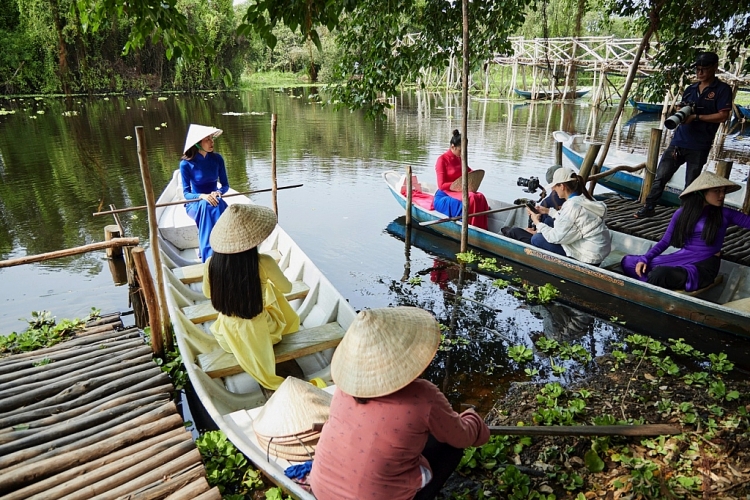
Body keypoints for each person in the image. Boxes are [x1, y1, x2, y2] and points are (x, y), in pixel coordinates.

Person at [309, 307, 490, 500]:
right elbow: (461, 437)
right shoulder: (423, 396)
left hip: (322, 491)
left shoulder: (345, 388)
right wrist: (473, 419)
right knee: (451, 448)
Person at [202, 203, 300, 390]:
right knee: (272, 290)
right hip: (264, 334)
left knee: (266, 288)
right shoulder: (264, 262)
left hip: (228, 338)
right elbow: (286, 288)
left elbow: (208, 293)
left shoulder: (210, 263)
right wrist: (266, 282)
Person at [635, 51, 733, 218]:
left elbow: (723, 116)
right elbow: (680, 108)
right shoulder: (691, 88)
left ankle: (685, 216)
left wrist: (697, 117)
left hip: (699, 145)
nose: (699, 72)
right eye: (697, 69)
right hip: (678, 141)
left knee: (691, 184)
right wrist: (682, 112)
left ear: (715, 68)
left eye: (704, 69)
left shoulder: (722, 90)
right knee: (661, 176)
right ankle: (649, 207)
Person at [622, 171, 750, 291]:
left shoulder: (725, 213)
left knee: (660, 273)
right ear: (701, 192)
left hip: (703, 266)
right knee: (628, 261)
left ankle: (648, 286)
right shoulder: (682, 213)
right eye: (717, 191)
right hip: (681, 257)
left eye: (723, 191)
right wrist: (645, 258)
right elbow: (665, 241)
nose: (722, 195)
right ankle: (651, 283)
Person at [527, 167, 612, 265]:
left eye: (555, 186)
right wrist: (548, 211)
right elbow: (570, 219)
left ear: (562, 186)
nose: (553, 189)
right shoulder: (583, 198)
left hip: (589, 258)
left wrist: (537, 223)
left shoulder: (572, 206)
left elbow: (555, 238)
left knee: (537, 239)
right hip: (597, 251)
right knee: (550, 222)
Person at [180, 123, 230, 262]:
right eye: (207, 139)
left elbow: (225, 185)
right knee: (206, 205)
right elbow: (186, 194)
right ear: (197, 143)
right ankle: (210, 255)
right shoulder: (186, 164)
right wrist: (202, 196)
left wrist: (218, 192)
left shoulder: (217, 159)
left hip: (215, 199)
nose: (211, 142)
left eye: (212, 139)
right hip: (196, 203)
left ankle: (223, 250)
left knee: (216, 203)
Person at [433, 129, 491, 229]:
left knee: (480, 196)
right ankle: (470, 226)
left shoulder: (460, 159)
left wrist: (475, 175)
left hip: (459, 191)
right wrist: (457, 184)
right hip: (445, 194)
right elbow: (441, 185)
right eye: (460, 150)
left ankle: (480, 227)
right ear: (452, 147)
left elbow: (469, 171)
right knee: (472, 197)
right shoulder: (442, 160)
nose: (462, 153)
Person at [502, 164, 565, 243]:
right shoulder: (570, 198)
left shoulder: (549, 201)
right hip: (552, 235)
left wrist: (534, 229)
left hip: (547, 240)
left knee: (513, 231)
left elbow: (546, 233)